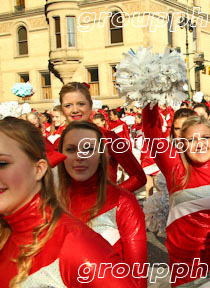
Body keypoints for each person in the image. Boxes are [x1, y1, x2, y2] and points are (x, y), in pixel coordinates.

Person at [0, 117, 138, 287]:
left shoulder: (75, 243)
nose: (79, 157)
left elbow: (139, 177)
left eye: (2, 163)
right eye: (71, 149)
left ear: (39, 169)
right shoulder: (7, 234)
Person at [142, 104, 210, 287]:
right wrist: (151, 90)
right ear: (182, 144)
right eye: (192, 140)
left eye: (205, 138)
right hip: (185, 269)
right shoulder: (175, 170)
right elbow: (150, 130)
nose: (200, 144)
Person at [57, 121, 148, 287]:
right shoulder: (51, 205)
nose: (79, 156)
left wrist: (111, 195)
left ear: (101, 155)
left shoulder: (124, 203)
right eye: (71, 149)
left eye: (89, 149)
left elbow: (137, 279)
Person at [59, 82, 146, 192]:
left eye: (81, 104)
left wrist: (108, 197)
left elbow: (139, 177)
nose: (75, 110)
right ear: (62, 109)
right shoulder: (57, 143)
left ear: (90, 105)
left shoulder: (109, 138)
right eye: (68, 105)